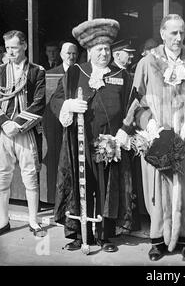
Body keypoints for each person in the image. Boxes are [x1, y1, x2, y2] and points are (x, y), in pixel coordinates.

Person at [51, 18, 137, 253]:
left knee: (106, 189)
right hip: (80, 143)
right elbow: (55, 100)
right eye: (99, 49)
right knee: (82, 187)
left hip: (109, 144)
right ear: (89, 51)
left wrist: (123, 133)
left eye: (107, 49)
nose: (104, 54)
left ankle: (105, 236)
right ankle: (80, 235)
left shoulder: (121, 74)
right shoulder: (75, 73)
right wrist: (68, 104)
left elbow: (133, 105)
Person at [128, 14, 185, 261]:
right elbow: (135, 101)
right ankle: (158, 240)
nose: (178, 38)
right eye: (173, 33)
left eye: (181, 32)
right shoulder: (148, 62)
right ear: (162, 34)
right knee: (158, 190)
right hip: (157, 135)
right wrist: (148, 124)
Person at [0, 30, 46, 237]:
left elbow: (39, 103)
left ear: (25, 46)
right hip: (3, 131)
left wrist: (16, 124)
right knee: (2, 177)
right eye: (7, 47)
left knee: (30, 176)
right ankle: (3, 220)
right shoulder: (0, 71)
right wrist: (4, 123)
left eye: (14, 47)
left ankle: (33, 221)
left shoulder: (36, 72)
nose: (10, 52)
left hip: (24, 130)